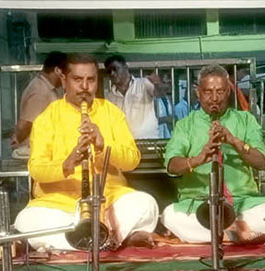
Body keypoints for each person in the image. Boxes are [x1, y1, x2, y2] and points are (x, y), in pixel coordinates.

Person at [14, 54, 159, 251]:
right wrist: (66, 164)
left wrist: (103, 147)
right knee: (27, 220)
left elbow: (132, 160)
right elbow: (36, 170)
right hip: (61, 205)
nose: (85, 86)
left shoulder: (111, 113)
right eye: (78, 80)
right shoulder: (47, 117)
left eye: (91, 80)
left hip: (109, 201)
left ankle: (83, 239)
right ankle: (108, 238)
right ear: (64, 80)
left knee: (146, 204)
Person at [161, 64, 265, 243]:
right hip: (198, 206)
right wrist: (198, 159)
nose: (215, 98)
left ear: (229, 91)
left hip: (243, 203)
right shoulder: (185, 125)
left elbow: (262, 163)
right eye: (208, 92)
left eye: (220, 91)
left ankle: (219, 234)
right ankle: (234, 233)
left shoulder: (246, 120)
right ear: (198, 93)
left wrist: (234, 141)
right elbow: (171, 166)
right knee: (169, 215)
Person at [10, 51, 66, 160]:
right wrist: (19, 140)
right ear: (57, 70)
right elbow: (24, 124)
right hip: (35, 153)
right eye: (66, 73)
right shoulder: (40, 91)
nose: (66, 78)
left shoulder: (48, 88)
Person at [104, 55, 159, 139]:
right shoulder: (109, 97)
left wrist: (157, 84)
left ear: (126, 67)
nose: (112, 73)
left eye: (115, 69)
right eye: (109, 71)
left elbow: (159, 93)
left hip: (148, 141)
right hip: (124, 145)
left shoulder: (143, 84)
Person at [154, 73, 174, 139]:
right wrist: (166, 119)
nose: (167, 86)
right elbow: (150, 121)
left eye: (168, 83)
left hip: (168, 137)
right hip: (156, 138)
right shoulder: (153, 100)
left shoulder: (168, 99)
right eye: (164, 83)